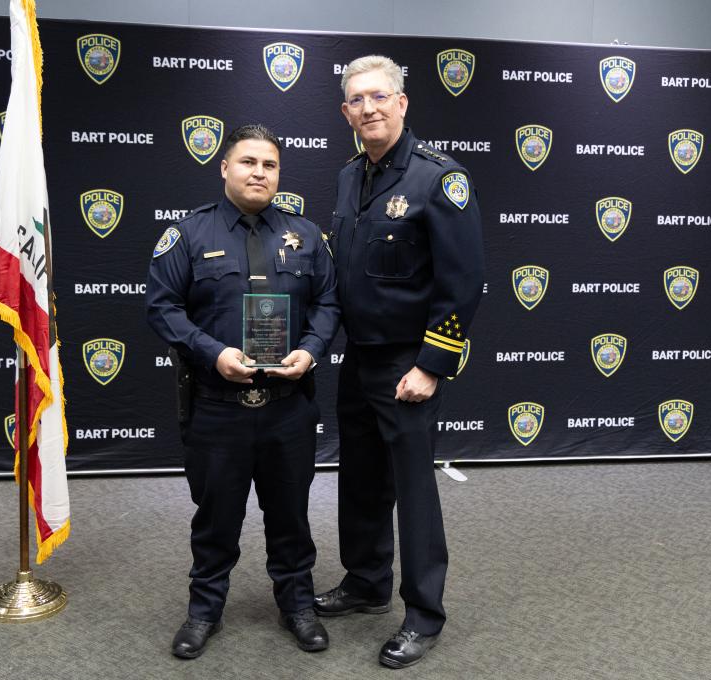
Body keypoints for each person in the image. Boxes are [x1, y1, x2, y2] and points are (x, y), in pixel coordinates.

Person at [314, 55, 484, 669]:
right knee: (360, 477)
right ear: (346, 112)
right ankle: (364, 582)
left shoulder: (440, 178)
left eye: (380, 97)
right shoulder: (346, 177)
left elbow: (463, 281)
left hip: (408, 363)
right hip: (358, 357)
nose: (370, 108)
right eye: (357, 100)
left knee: (412, 489)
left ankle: (423, 614)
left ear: (403, 103)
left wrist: (432, 365)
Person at [146, 124, 340, 659]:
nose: (259, 173)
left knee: (292, 516)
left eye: (270, 165)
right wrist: (213, 352)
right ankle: (204, 610)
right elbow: (161, 308)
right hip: (217, 409)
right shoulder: (188, 235)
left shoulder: (306, 234)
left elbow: (328, 302)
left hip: (287, 407)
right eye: (248, 162)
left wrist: (313, 348)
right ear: (225, 168)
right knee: (215, 518)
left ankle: (297, 604)